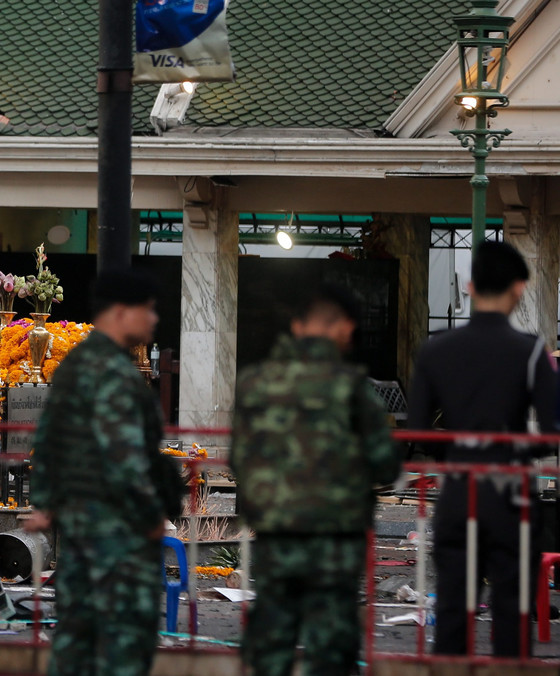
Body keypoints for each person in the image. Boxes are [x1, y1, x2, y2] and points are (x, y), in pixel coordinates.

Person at [231, 284, 399, 676]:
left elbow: (239, 459)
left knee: (272, 639)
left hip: (275, 535)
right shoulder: (353, 387)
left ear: (296, 325)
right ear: (343, 327)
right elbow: (385, 464)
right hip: (335, 542)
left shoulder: (255, 383)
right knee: (331, 646)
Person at [24, 268, 184, 676]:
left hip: (81, 531)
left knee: (78, 642)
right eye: (146, 310)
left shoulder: (78, 364)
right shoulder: (111, 373)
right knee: (124, 646)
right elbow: (125, 456)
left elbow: (48, 441)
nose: (153, 320)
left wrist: (46, 502)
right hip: (119, 535)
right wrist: (151, 514)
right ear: (120, 311)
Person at [407, 240, 556, 656]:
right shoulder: (530, 352)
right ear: (519, 288)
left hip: (458, 491)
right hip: (511, 495)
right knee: (512, 609)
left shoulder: (435, 350)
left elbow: (417, 428)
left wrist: (455, 457)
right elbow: (549, 433)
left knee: (454, 606)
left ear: (470, 286)